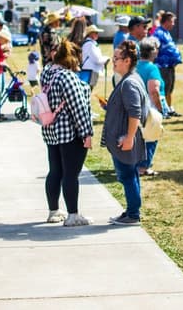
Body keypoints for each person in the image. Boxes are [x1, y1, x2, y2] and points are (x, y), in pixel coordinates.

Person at [39, 40, 94, 226]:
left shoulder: (47, 72)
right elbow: (78, 107)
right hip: (69, 131)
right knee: (71, 174)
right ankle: (73, 215)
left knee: (55, 171)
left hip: (51, 130)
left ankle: (53, 210)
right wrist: (87, 132)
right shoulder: (67, 77)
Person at [102, 40, 148, 225]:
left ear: (127, 60)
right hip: (124, 137)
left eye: (116, 58)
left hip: (125, 139)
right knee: (130, 175)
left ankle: (133, 214)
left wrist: (129, 138)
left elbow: (135, 112)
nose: (113, 62)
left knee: (127, 176)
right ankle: (131, 210)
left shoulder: (129, 83)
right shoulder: (130, 80)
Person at [135, 37, 166, 177]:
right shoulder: (152, 68)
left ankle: (137, 165)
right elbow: (154, 91)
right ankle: (143, 167)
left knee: (139, 137)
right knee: (151, 137)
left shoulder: (134, 66)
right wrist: (160, 109)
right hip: (149, 108)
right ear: (153, 52)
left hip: (136, 106)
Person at [153, 12, 183, 117]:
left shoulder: (166, 32)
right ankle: (162, 111)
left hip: (169, 66)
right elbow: (154, 49)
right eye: (172, 21)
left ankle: (169, 109)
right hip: (162, 66)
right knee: (163, 90)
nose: (174, 24)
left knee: (169, 89)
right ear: (166, 21)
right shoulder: (158, 33)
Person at [80, 24, 108, 89]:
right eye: (96, 33)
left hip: (91, 71)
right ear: (90, 34)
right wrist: (106, 59)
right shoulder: (90, 44)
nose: (97, 34)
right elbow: (97, 59)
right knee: (88, 90)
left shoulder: (91, 43)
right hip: (89, 71)